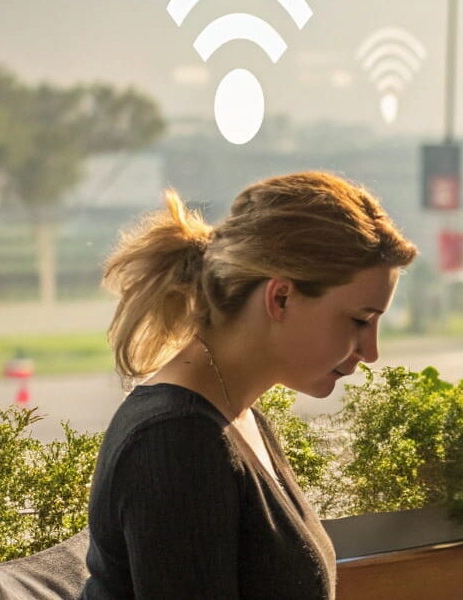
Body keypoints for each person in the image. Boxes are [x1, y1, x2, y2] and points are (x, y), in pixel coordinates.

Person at [82, 172, 418, 599]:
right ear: (280, 298)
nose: (370, 351)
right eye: (359, 320)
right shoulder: (175, 441)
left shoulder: (236, 415)